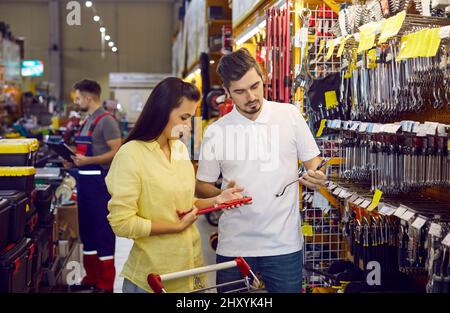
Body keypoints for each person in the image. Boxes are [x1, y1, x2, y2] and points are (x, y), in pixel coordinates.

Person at [196, 48, 327, 293]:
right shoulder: (216, 131)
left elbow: (314, 163)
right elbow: (202, 184)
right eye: (240, 91)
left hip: (283, 246)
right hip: (234, 247)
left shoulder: (289, 115)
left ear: (262, 77)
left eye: (255, 86)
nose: (251, 96)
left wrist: (317, 176)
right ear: (226, 92)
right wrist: (219, 196)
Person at [105, 77, 244, 293]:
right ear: (162, 111)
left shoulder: (178, 149)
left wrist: (218, 200)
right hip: (153, 280)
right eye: (184, 117)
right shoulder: (131, 155)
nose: (188, 125)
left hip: (190, 273)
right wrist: (175, 227)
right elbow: (122, 223)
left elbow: (187, 203)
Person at [66, 79, 122, 292]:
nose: (77, 101)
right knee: (87, 232)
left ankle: (106, 283)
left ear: (88, 98)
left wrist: (87, 161)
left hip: (99, 185)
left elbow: (117, 151)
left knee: (102, 232)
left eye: (78, 97)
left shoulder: (106, 121)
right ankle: (91, 277)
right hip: (84, 183)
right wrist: (71, 159)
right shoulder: (87, 120)